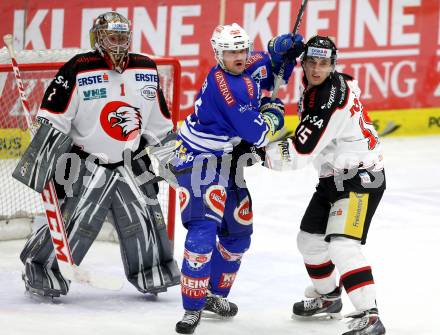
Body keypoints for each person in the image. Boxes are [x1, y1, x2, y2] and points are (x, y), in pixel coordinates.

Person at [16, 11, 180, 298]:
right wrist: (43, 156)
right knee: (76, 222)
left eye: (122, 37)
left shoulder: (146, 69)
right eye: (111, 37)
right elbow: (54, 118)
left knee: (145, 218)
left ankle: (152, 270)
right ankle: (41, 267)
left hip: (132, 161)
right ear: (98, 38)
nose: (118, 43)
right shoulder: (78, 68)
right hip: (87, 162)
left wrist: (174, 158)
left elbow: (159, 125)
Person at [169, 23, 303, 334]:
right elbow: (257, 133)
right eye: (231, 52)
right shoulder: (226, 87)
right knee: (203, 230)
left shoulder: (244, 64)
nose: (239, 57)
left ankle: (212, 295)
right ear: (218, 54)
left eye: (242, 49)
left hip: (227, 159)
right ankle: (192, 307)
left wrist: (283, 52)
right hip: (198, 159)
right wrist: (272, 113)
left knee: (238, 234)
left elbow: (270, 69)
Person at [265, 35, 386, 335]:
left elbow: (300, 152)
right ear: (303, 63)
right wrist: (278, 57)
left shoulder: (330, 98)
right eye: (311, 62)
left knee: (343, 246)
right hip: (334, 177)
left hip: (362, 178)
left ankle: (369, 315)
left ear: (333, 65)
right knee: (309, 242)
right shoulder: (319, 86)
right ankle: (329, 298)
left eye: (324, 63)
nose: (317, 68)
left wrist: (258, 153)